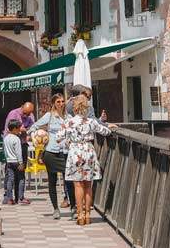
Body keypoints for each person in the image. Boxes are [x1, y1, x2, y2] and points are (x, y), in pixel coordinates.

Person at [56, 94, 113, 226]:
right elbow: (105, 131)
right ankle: (88, 215)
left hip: (75, 152)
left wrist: (68, 143)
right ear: (87, 107)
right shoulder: (91, 121)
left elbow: (59, 138)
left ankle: (80, 215)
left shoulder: (69, 122)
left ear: (74, 108)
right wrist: (110, 128)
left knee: (78, 185)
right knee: (88, 185)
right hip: (88, 151)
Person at [30, 92, 75, 219]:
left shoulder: (68, 117)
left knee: (69, 181)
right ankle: (55, 208)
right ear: (54, 104)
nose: (61, 104)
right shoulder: (49, 116)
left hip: (65, 152)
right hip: (50, 151)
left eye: (62, 101)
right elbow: (33, 127)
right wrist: (37, 137)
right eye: (58, 102)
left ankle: (73, 207)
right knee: (52, 181)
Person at [2, 119, 29, 205]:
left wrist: (7, 159)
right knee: (21, 179)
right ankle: (21, 197)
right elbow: (18, 152)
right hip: (17, 162)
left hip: (9, 161)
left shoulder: (5, 138)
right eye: (18, 128)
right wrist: (21, 163)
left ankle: (10, 198)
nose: (19, 130)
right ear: (14, 129)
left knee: (10, 180)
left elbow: (5, 151)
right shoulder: (16, 139)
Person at [3, 100, 36, 169]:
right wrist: (24, 130)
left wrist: (27, 131)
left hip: (23, 142)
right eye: (24, 113)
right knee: (12, 167)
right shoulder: (13, 113)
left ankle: (21, 179)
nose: (26, 115)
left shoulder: (30, 115)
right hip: (12, 143)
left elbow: (33, 127)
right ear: (22, 107)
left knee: (22, 167)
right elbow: (10, 129)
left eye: (28, 114)